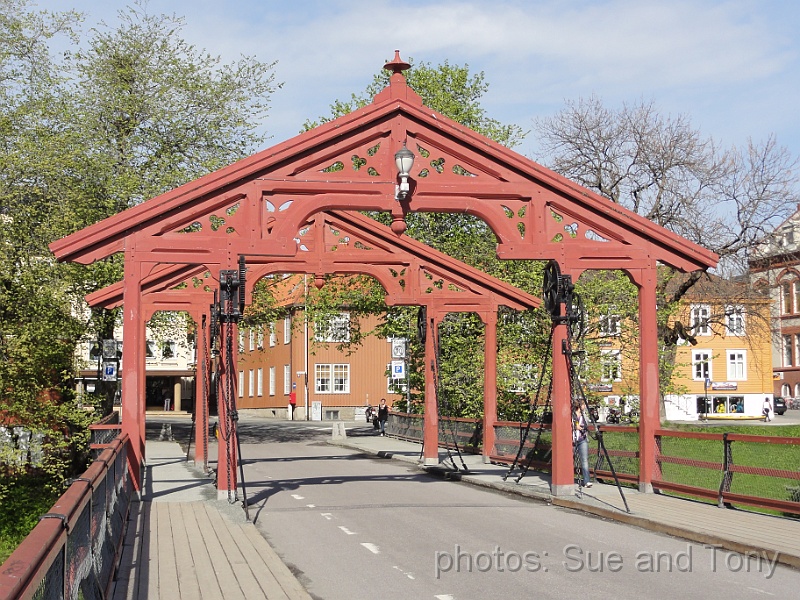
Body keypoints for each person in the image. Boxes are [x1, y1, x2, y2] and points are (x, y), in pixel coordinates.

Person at [572, 402, 592, 488]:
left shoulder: (584, 415)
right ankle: (569, 478)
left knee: (584, 460)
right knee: (570, 459)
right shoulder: (572, 415)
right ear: (579, 405)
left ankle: (586, 481)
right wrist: (574, 426)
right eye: (583, 405)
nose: (585, 406)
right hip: (572, 439)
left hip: (582, 439)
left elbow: (587, 424)